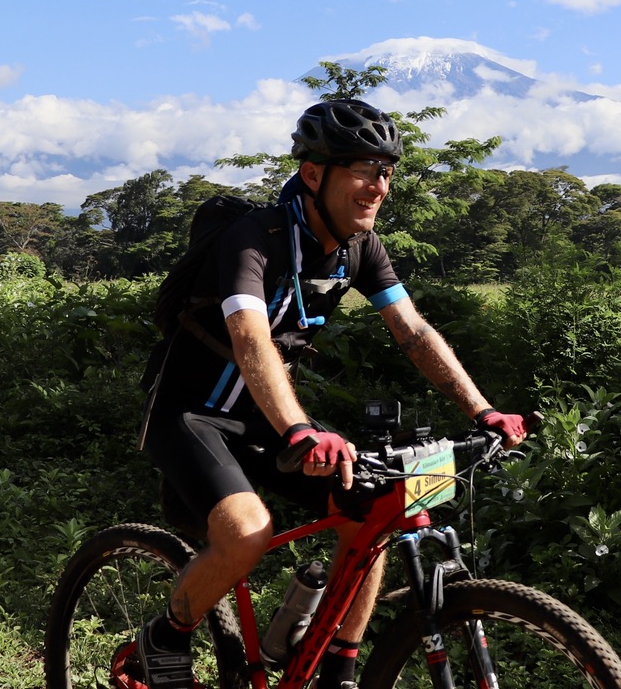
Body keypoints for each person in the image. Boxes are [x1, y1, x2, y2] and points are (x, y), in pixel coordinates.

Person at [124, 98, 530, 689]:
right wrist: (299, 427)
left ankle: (338, 664)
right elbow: (250, 338)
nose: (379, 186)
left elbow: (414, 333)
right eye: (363, 170)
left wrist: (483, 409)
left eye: (387, 172)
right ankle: (165, 636)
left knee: (369, 508)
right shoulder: (251, 237)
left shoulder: (361, 248)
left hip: (268, 416)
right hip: (192, 413)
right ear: (313, 174)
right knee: (247, 533)